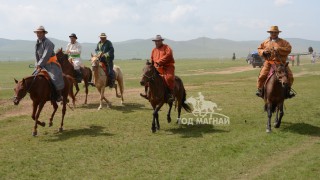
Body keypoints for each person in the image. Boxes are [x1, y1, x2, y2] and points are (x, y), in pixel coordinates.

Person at [256, 26, 295, 99]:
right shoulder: (265, 42)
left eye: (275, 32)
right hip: (269, 63)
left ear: (278, 33)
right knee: (262, 76)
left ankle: (288, 91)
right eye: (272, 32)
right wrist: (263, 51)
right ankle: (260, 90)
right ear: (270, 33)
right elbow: (259, 49)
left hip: (281, 63)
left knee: (290, 76)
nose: (274, 33)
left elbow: (289, 49)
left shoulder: (284, 42)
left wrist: (279, 49)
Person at [140, 35, 175, 103]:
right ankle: (146, 93)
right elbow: (152, 59)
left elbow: (169, 55)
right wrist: (150, 64)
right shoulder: (154, 50)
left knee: (169, 78)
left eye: (158, 41)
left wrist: (159, 62)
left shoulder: (167, 47)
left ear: (161, 41)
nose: (157, 42)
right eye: (156, 41)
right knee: (148, 76)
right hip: (157, 67)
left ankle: (170, 94)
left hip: (167, 67)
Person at [34, 26, 64, 102]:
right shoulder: (37, 43)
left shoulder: (48, 43)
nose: (38, 34)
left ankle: (59, 95)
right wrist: (37, 65)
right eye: (37, 32)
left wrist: (40, 64)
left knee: (54, 78)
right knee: (34, 77)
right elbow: (37, 55)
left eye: (40, 32)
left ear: (44, 33)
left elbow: (46, 55)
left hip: (51, 64)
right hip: (42, 64)